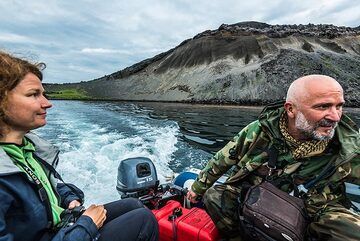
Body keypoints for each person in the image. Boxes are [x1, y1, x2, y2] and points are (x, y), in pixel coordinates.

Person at [0, 51, 159, 241]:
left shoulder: (28, 149)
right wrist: (86, 226)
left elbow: (48, 185)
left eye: (44, 94)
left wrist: (69, 199)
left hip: (59, 227)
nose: (47, 103)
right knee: (144, 219)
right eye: (34, 94)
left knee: (134, 205)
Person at [187, 74, 360, 240]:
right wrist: (197, 188)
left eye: (339, 106)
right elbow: (222, 159)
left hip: (317, 209)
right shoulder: (258, 131)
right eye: (323, 106)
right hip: (259, 196)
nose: (336, 116)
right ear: (291, 109)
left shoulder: (349, 146)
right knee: (215, 197)